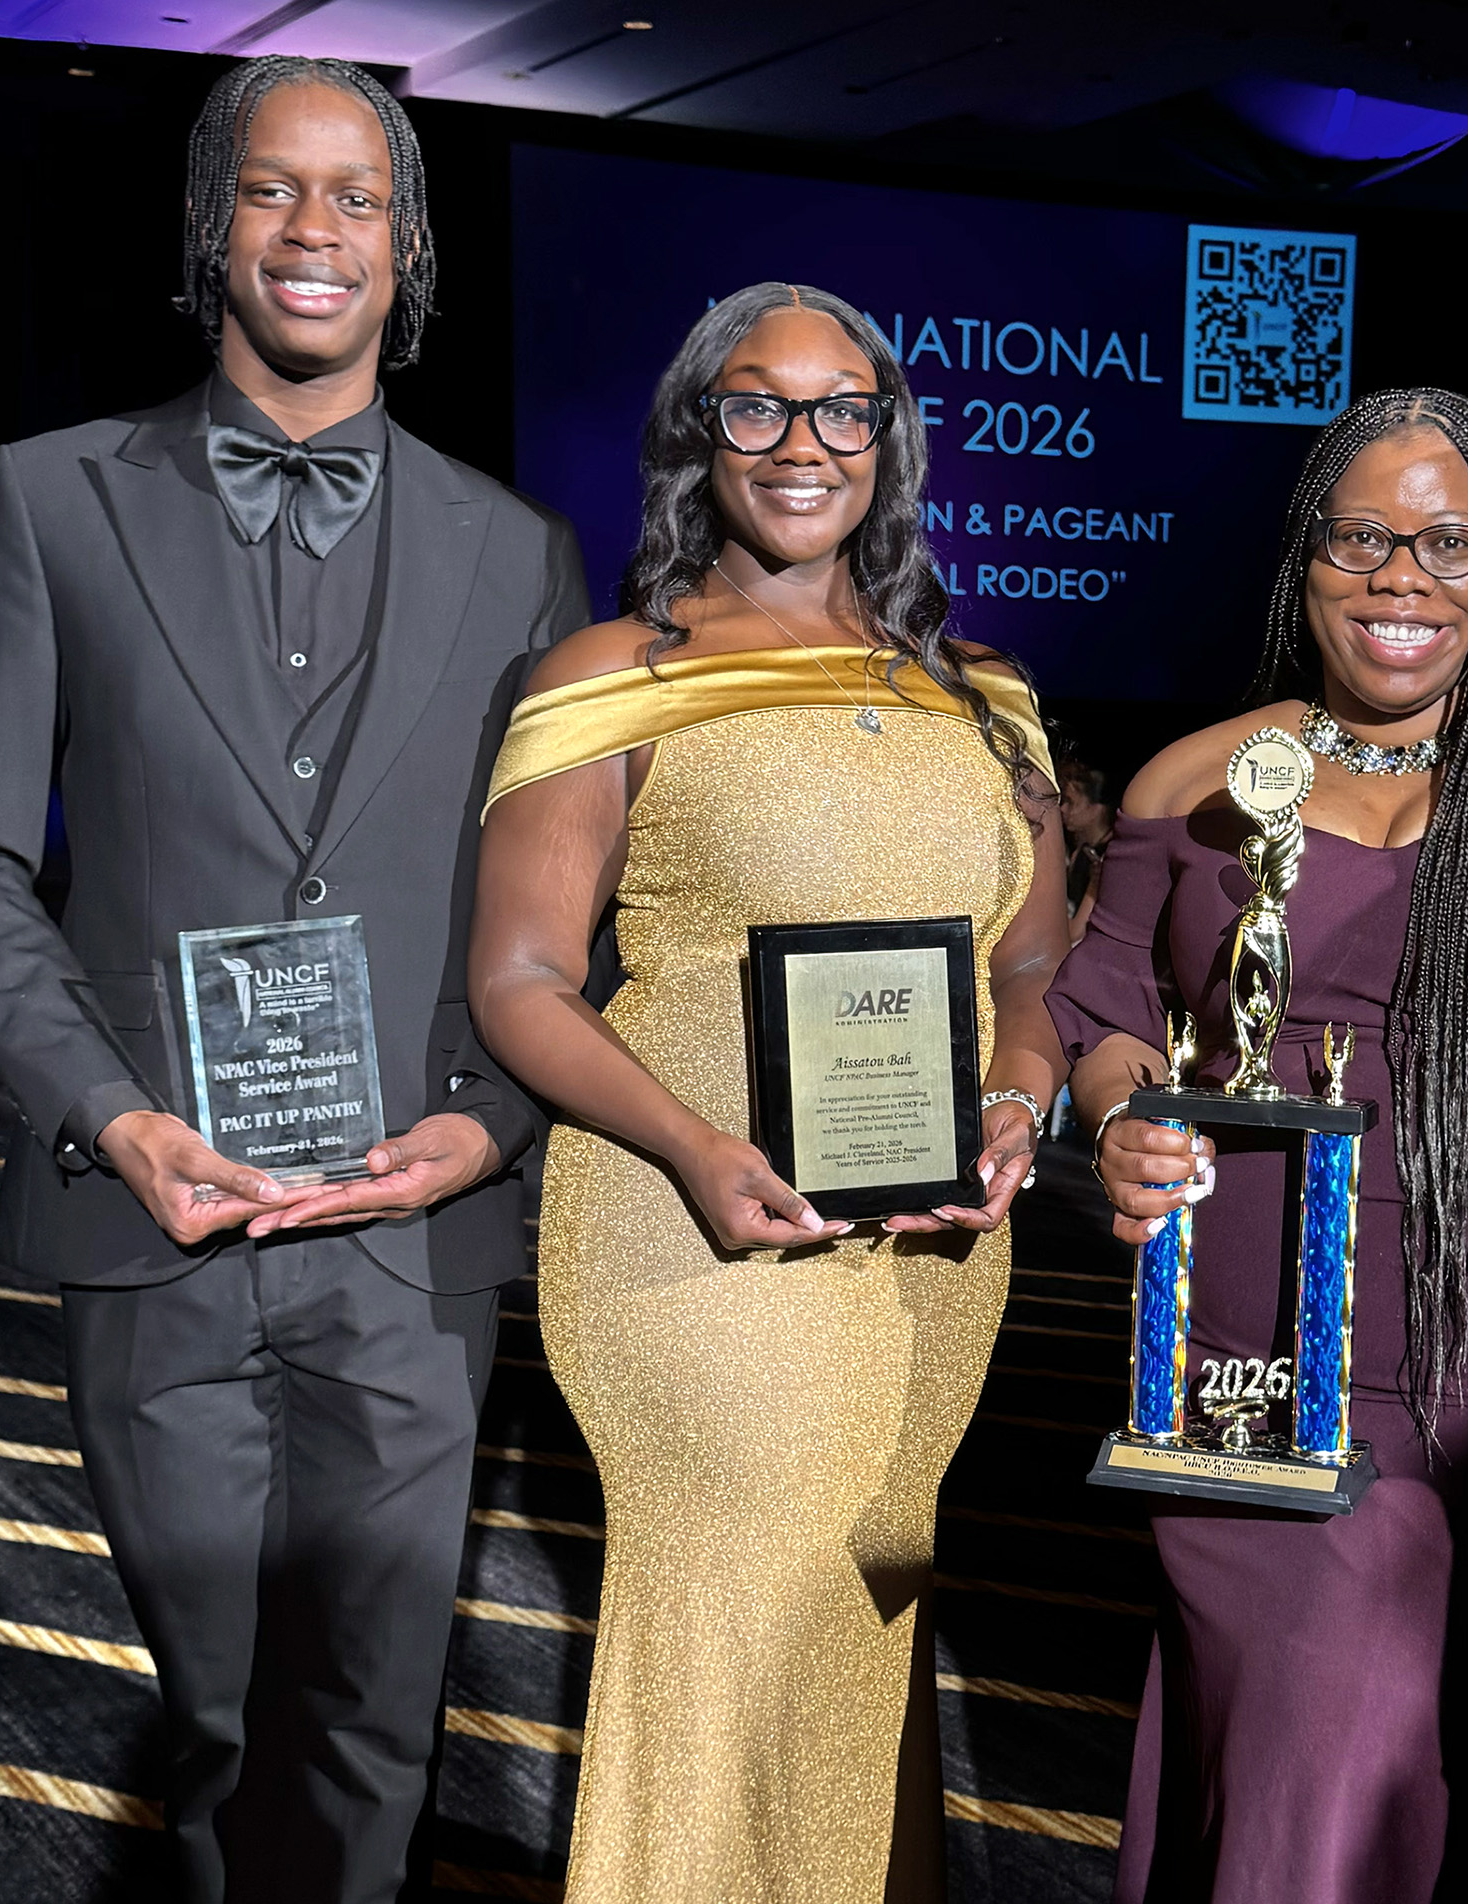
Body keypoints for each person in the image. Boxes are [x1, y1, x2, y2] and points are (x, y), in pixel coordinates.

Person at [0, 56, 587, 1904]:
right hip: (158, 1207)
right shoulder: (49, 502)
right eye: (274, 190)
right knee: (213, 1721)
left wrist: (488, 1115)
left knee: (377, 1725)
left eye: (356, 197)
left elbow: (558, 910)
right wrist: (109, 1110)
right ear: (214, 224)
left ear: (408, 245)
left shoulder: (517, 553)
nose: (313, 231)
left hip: (405, 1227)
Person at [467, 282, 1069, 1902]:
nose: (800, 443)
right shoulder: (609, 673)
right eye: (756, 404)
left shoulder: (984, 691)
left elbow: (1030, 976)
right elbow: (518, 978)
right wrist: (694, 1144)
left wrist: (1019, 1103)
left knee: (862, 1604)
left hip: (932, 1244)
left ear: (887, 439)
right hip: (697, 1232)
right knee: (731, 1613)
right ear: (696, 432)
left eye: (839, 407)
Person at [1054, 388, 1468, 1904]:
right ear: (1302, 557)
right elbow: (1103, 1016)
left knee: (1452, 1764)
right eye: (1364, 537)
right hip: (1253, 1365)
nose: (1404, 576)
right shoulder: (1193, 785)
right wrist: (1125, 1115)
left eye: (1453, 542)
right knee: (1307, 1745)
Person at [1057, 748, 1119, 944]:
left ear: (1097, 808)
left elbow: (1073, 933)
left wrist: (1095, 884)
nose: (1062, 809)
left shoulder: (1113, 856)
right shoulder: (1081, 851)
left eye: (1070, 802)